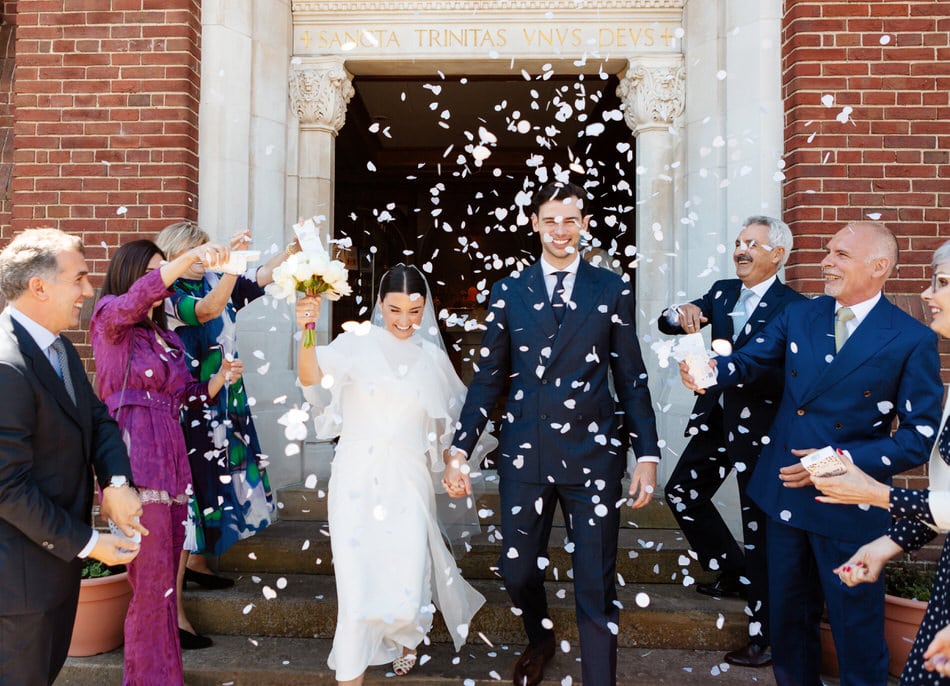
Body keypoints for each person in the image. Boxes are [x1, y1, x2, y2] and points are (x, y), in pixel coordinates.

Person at [680, 221, 943, 686]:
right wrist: (709, 371)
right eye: (828, 251)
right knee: (788, 629)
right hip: (781, 497)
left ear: (878, 267)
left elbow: (918, 437)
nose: (826, 262)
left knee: (855, 635)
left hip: (848, 511)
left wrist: (828, 463)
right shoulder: (802, 314)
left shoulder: (910, 338)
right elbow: (748, 361)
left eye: (841, 254)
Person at [450, 181, 660, 686]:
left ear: (584, 224)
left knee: (595, 580)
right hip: (526, 453)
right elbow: (488, 379)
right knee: (517, 569)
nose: (560, 231)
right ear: (535, 223)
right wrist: (460, 447)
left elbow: (629, 375)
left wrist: (647, 453)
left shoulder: (611, 289)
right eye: (551, 220)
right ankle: (539, 638)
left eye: (570, 220)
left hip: (595, 457)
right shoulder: (508, 290)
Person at [296, 264, 487, 685]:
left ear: (426, 309)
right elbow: (311, 377)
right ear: (379, 304)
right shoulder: (354, 344)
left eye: (415, 311)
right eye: (395, 309)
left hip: (407, 477)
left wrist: (454, 465)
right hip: (355, 476)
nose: (404, 321)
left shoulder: (432, 358)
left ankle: (406, 634)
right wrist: (307, 328)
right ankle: (352, 672)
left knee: (405, 576)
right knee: (356, 586)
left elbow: (452, 423)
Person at [90, 239, 243, 684]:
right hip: (136, 463)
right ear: (133, 276)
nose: (164, 281)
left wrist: (216, 381)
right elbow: (137, 298)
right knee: (151, 589)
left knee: (165, 590)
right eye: (157, 272)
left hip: (173, 463)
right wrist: (180, 263)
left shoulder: (166, 337)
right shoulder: (111, 320)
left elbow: (183, 397)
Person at [0, 228, 145, 686]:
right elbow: (7, 487)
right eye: (79, 278)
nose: (89, 290)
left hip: (51, 577)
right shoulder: (7, 364)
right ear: (38, 286)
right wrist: (88, 543)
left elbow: (98, 420)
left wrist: (118, 485)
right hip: (17, 588)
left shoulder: (58, 347)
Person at [660, 216, 803, 668]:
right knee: (682, 492)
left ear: (777, 254)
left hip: (762, 432)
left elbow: (777, 369)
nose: (741, 250)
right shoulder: (722, 291)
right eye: (738, 242)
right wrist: (679, 312)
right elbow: (671, 323)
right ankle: (732, 571)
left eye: (753, 245)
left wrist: (727, 368)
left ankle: (765, 637)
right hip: (716, 420)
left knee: (758, 527)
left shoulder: (793, 307)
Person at [810, 239, 950, 685]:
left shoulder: (910, 341)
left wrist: (877, 493)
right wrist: (886, 545)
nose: (927, 294)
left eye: (942, 283)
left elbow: (912, 442)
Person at [155, 221, 288, 645]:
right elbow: (208, 310)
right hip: (188, 406)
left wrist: (293, 252)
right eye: (195, 252)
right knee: (188, 499)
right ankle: (172, 615)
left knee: (215, 486)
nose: (203, 259)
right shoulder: (170, 296)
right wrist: (229, 265)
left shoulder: (216, 279)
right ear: (176, 254)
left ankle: (196, 564)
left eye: (205, 250)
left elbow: (259, 279)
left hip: (224, 403)